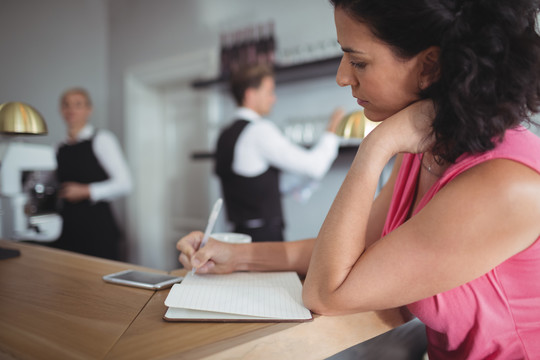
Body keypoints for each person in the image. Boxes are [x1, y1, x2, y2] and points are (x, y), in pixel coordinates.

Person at [178, 0, 540, 359]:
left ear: (430, 65)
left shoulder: (503, 184)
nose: (342, 76)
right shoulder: (429, 150)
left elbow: (326, 292)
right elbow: (351, 252)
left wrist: (375, 146)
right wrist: (236, 257)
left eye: (357, 61)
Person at [215, 64, 344, 242]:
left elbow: (260, 184)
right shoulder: (259, 131)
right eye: (269, 92)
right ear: (250, 94)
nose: (273, 99)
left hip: (237, 235)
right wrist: (333, 129)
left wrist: (302, 183)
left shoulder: (225, 134)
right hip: (263, 238)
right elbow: (315, 167)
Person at [52, 87, 132, 260]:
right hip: (67, 227)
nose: (71, 110)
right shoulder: (59, 147)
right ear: (61, 110)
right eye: (66, 105)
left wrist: (85, 191)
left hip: (97, 227)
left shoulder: (102, 139)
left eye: (78, 104)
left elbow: (125, 184)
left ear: (89, 109)